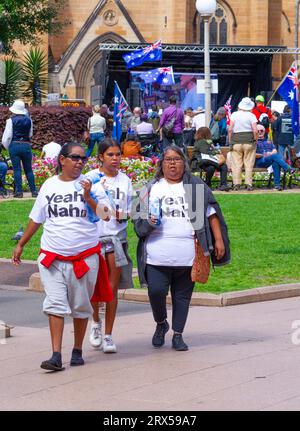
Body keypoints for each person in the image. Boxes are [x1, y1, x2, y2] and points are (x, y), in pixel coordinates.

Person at [12, 142, 113, 371]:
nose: (80, 162)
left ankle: (77, 350)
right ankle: (56, 355)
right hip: (53, 257)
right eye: (75, 158)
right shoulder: (49, 185)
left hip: (84, 258)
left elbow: (107, 216)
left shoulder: (92, 184)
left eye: (83, 159)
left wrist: (88, 197)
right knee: (55, 304)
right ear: (62, 160)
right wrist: (21, 244)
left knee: (80, 305)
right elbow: (36, 218)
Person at [133, 146, 230, 351]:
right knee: (156, 292)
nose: (172, 163)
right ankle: (161, 323)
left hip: (187, 254)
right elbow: (137, 218)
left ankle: (178, 334)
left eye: (176, 159)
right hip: (156, 254)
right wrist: (146, 221)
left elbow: (212, 212)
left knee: (182, 296)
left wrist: (219, 240)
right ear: (162, 164)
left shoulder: (195, 185)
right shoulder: (150, 187)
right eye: (168, 159)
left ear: (183, 162)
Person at [88, 138, 134, 353]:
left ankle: (108, 335)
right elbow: (85, 205)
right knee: (95, 288)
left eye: (118, 154)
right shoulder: (91, 179)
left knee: (112, 290)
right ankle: (95, 323)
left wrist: (123, 214)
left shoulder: (125, 180)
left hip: (116, 239)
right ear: (101, 157)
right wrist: (103, 212)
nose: (115, 159)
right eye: (110, 155)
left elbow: (133, 210)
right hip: (94, 240)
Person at [2, 99, 38, 198]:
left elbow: (7, 136)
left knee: (17, 169)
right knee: (29, 169)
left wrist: (5, 146)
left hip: (15, 145)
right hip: (26, 145)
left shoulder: (10, 121)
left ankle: (19, 192)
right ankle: (34, 191)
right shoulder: (29, 120)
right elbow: (30, 134)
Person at [228, 97, 258, 191]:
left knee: (236, 164)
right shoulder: (251, 115)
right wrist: (255, 140)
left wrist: (230, 140)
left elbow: (230, 129)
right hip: (249, 141)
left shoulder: (234, 114)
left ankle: (236, 184)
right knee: (248, 164)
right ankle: (249, 184)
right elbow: (255, 130)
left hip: (236, 141)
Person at [255, 125, 295, 191]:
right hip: (260, 161)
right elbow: (253, 155)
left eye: (261, 131)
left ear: (264, 132)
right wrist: (263, 155)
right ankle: (288, 169)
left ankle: (277, 185)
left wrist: (270, 154)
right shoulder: (254, 142)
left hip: (270, 159)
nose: (259, 132)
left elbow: (275, 150)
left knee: (276, 163)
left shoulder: (269, 141)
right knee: (275, 156)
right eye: (258, 131)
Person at [192, 127, 230, 191]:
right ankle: (210, 184)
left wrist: (213, 147)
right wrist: (216, 152)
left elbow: (210, 152)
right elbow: (205, 152)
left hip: (209, 161)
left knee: (216, 167)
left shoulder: (208, 142)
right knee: (221, 165)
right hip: (200, 161)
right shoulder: (201, 141)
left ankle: (222, 185)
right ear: (207, 134)